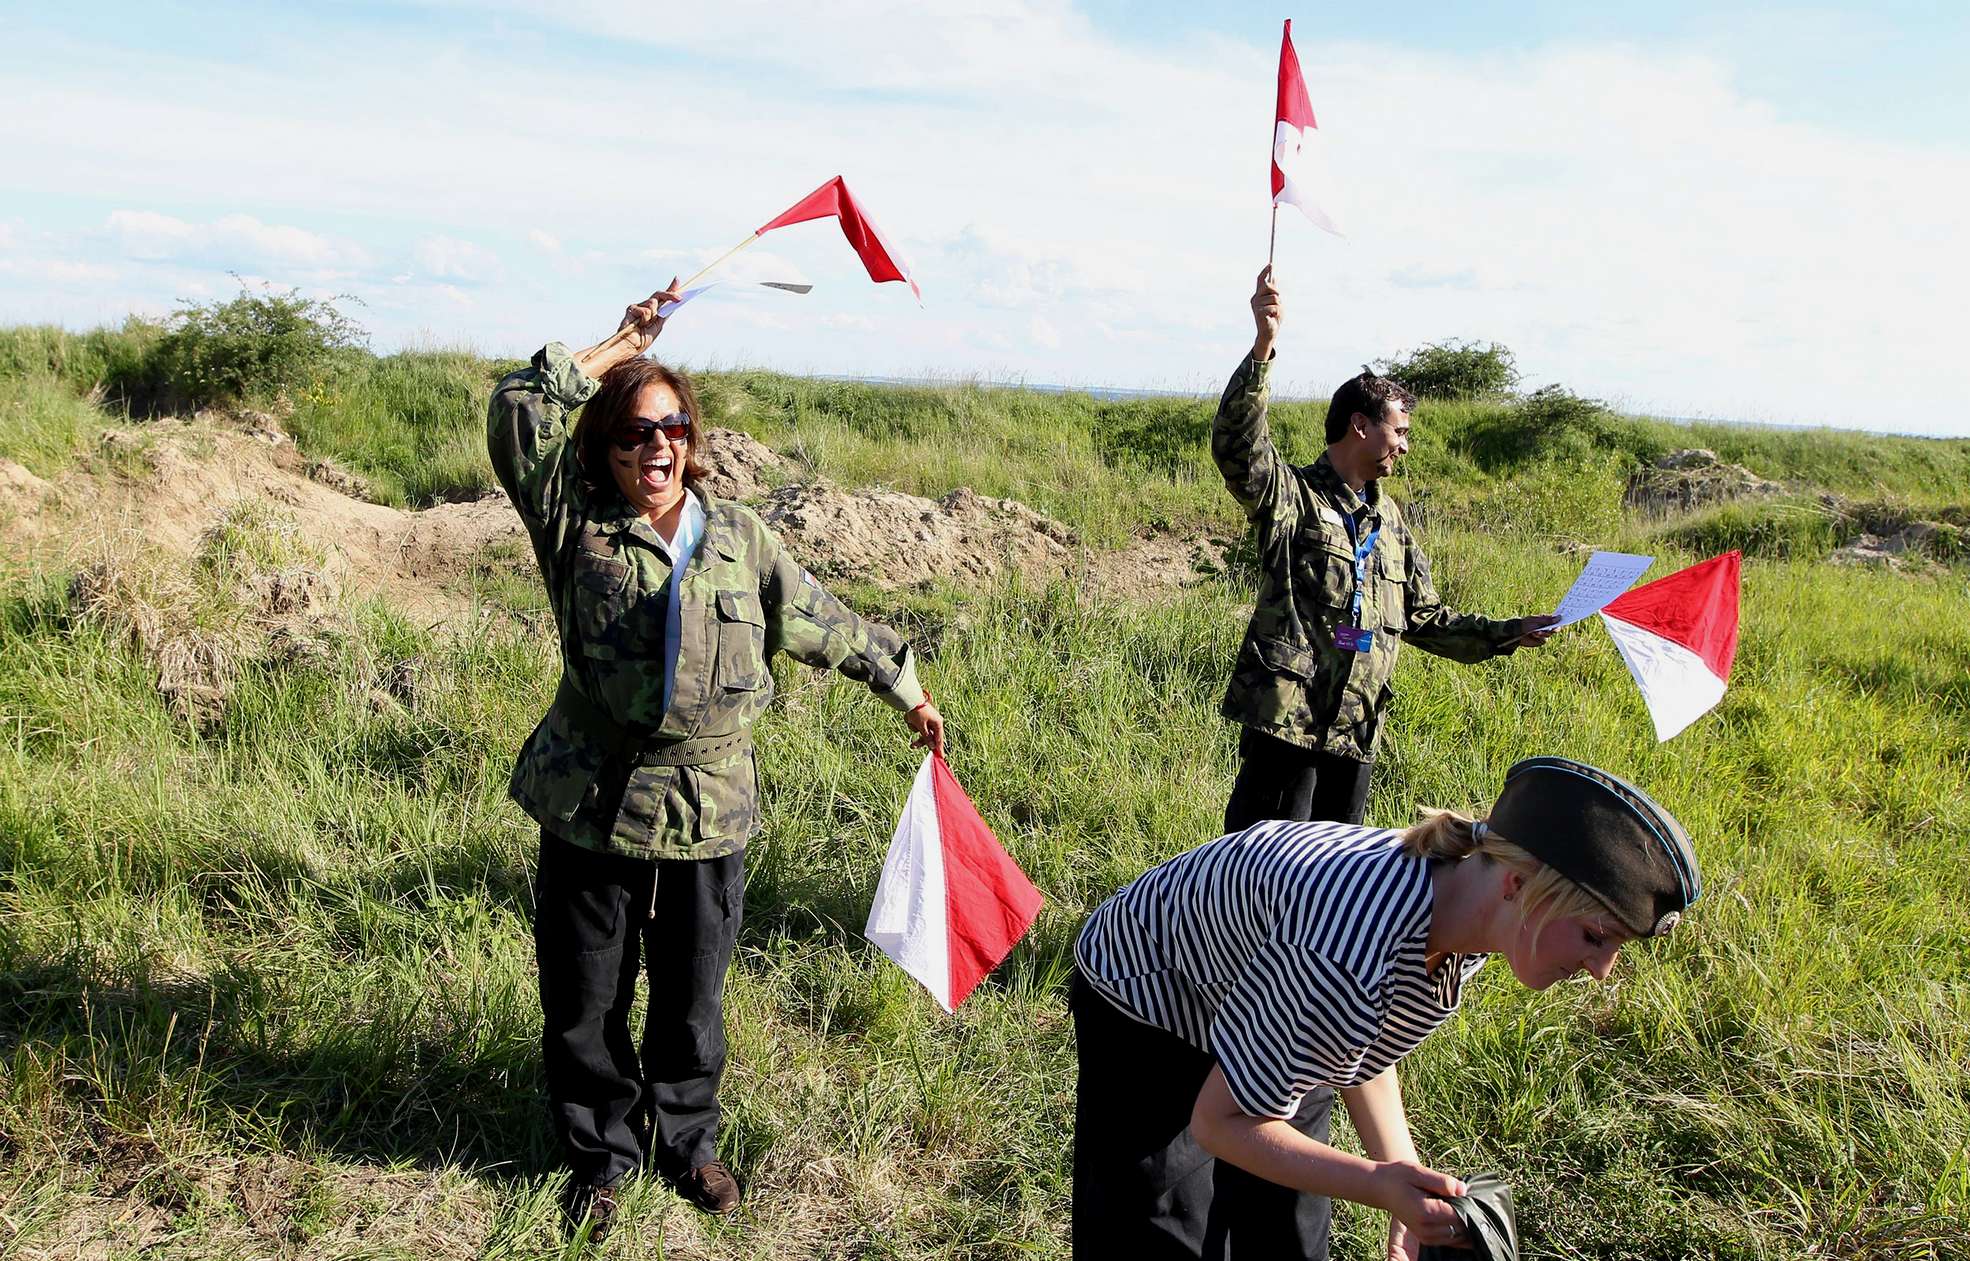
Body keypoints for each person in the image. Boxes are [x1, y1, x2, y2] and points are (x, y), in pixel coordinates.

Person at [487, 286, 946, 1239]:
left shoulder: (741, 537)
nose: (656, 447)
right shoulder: (574, 522)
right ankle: (599, 1156)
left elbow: (822, 619)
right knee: (586, 991)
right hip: (593, 795)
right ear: (604, 451)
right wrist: (621, 344)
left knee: (693, 991)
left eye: (673, 428)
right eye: (632, 433)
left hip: (708, 800)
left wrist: (905, 686)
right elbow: (517, 410)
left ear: (692, 439)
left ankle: (688, 1139)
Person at [1071, 755, 1702, 1261]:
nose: (1600, 970)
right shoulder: (1345, 953)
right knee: (1162, 1221)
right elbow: (1220, 1123)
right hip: (1156, 1004)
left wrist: (1399, 1171)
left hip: (1287, 1005)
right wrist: (1376, 1184)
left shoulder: (1477, 914)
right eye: (1596, 936)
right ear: (1518, 886)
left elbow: (1363, 1038)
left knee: (1290, 1220)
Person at [1213, 267, 1559, 832]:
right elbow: (1237, 446)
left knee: (1335, 885)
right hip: (1290, 728)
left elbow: (1424, 618)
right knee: (1260, 874)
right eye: (1398, 431)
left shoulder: (1390, 522)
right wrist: (1262, 348)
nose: (1405, 445)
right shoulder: (1293, 496)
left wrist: (1508, 632)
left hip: (1355, 732)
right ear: (1359, 426)